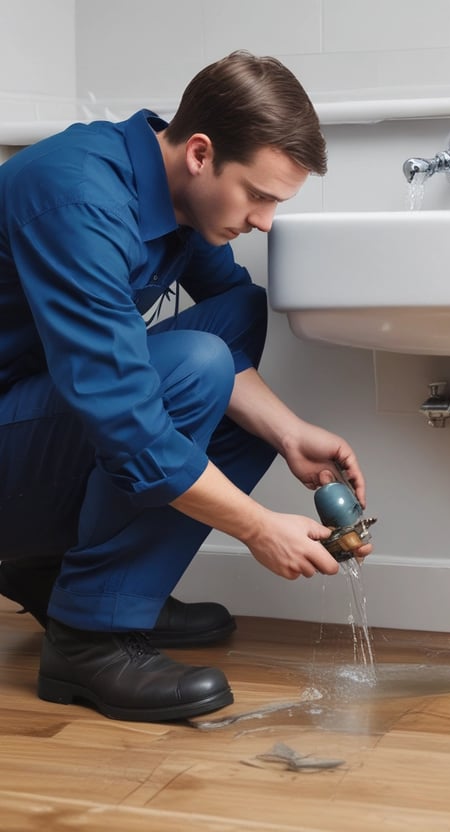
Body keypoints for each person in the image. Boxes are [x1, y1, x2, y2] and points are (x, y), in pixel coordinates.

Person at [0, 51, 371, 723]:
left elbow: (228, 319)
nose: (263, 221)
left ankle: (80, 581)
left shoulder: (172, 191)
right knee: (193, 363)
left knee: (238, 311)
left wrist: (289, 435)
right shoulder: (77, 196)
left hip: (31, 418)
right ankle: (89, 639)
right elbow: (128, 421)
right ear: (200, 153)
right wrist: (259, 528)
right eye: (257, 195)